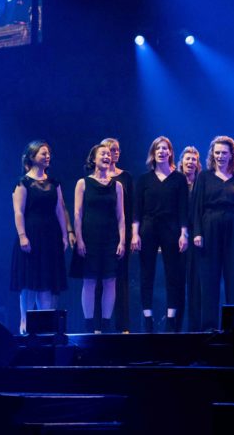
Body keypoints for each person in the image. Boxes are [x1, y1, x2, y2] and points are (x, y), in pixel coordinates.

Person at [192, 136, 234, 330]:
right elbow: (196, 206)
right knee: (209, 279)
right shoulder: (204, 177)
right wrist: (197, 232)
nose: (220, 156)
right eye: (217, 152)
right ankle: (209, 327)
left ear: (231, 155)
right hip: (210, 229)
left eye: (224, 153)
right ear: (212, 154)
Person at [11, 140, 69, 335]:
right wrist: (22, 236)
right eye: (43, 153)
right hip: (31, 235)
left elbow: (60, 209)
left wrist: (64, 235)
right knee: (29, 281)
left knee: (47, 281)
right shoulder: (23, 182)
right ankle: (25, 324)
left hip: (51, 236)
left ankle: (45, 326)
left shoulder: (54, 183)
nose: (47, 156)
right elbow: (19, 211)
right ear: (32, 157)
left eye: (48, 153)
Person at [132, 136, 189, 332]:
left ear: (170, 152)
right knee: (146, 273)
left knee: (172, 273)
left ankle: (171, 319)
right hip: (148, 227)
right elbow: (137, 209)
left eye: (165, 148)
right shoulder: (144, 179)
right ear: (153, 153)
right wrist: (135, 234)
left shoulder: (179, 179)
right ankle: (147, 317)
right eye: (158, 148)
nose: (162, 151)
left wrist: (184, 234)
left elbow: (183, 208)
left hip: (171, 228)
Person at [72, 144, 126, 333]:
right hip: (89, 237)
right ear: (93, 159)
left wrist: (122, 240)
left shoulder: (117, 185)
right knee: (89, 281)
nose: (106, 156)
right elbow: (77, 213)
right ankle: (89, 325)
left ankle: (105, 325)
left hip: (110, 238)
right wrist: (79, 239)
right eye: (102, 153)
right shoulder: (83, 183)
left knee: (110, 281)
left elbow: (121, 216)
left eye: (109, 154)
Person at [101, 138, 133, 333]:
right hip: (101, 232)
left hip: (122, 232)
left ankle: (122, 325)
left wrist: (131, 235)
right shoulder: (94, 178)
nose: (115, 153)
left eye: (117, 150)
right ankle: (99, 325)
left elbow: (131, 207)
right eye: (112, 150)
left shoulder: (125, 177)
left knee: (120, 279)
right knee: (101, 279)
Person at [178, 146, 202, 331]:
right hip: (178, 236)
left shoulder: (201, 183)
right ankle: (175, 326)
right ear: (182, 162)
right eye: (187, 159)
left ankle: (195, 326)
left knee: (195, 283)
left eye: (194, 159)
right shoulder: (175, 182)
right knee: (177, 283)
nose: (190, 162)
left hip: (196, 236)